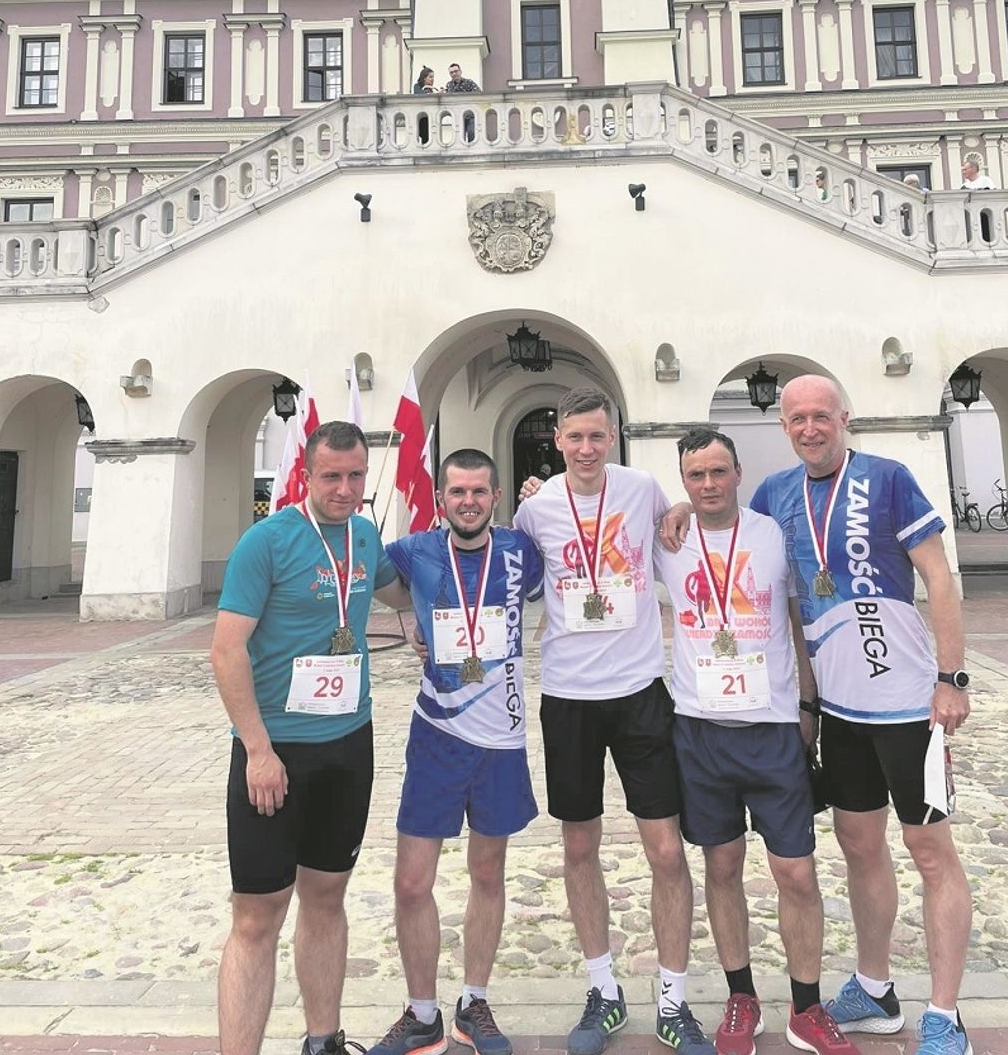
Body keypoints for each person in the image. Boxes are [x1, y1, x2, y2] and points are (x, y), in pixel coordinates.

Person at [753, 377, 972, 1055]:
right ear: (784, 425)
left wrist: (950, 677)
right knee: (859, 846)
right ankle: (874, 989)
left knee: (930, 851)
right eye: (798, 418)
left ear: (843, 418)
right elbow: (783, 600)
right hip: (843, 713)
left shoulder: (889, 477)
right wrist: (809, 703)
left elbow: (939, 575)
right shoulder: (772, 496)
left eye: (821, 415)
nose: (810, 427)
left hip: (910, 705)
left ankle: (944, 1014)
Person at [514, 388, 712, 1055]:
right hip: (568, 696)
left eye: (598, 436)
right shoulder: (535, 508)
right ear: (557, 438)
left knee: (664, 849)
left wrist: (686, 504)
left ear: (613, 435)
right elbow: (516, 582)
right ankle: (603, 991)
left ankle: (674, 1000)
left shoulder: (642, 489)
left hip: (638, 691)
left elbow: (679, 536)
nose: (587, 448)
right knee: (578, 847)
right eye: (575, 437)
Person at [655, 428, 861, 1055]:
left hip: (771, 729)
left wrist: (808, 702)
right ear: (683, 480)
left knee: (795, 872)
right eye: (696, 476)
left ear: (739, 471)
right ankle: (741, 997)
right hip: (699, 729)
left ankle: (806, 1006)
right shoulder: (669, 537)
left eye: (719, 472)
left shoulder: (775, 534)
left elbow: (798, 620)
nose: (709, 485)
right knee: (722, 866)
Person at [211, 421, 411, 1055]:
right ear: (306, 470)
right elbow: (225, 651)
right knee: (258, 913)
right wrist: (259, 751)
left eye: (356, 476)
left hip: (349, 744)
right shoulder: (267, 542)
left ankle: (323, 1040)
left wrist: (469, 564)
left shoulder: (364, 534)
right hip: (277, 751)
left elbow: (401, 590)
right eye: (332, 476)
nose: (346, 489)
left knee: (327, 896)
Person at [367, 448, 544, 1055]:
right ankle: (422, 1013)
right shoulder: (413, 551)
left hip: (501, 734)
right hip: (437, 731)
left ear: (495, 497)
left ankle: (474, 1002)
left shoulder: (522, 550)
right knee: (412, 882)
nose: (468, 501)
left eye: (479, 491)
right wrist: (415, 621)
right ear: (441, 499)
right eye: (456, 492)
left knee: (487, 871)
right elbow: (368, 580)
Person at [445, 63, 479, 142]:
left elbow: (478, 95)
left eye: (456, 71)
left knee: (472, 133)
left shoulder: (469, 82)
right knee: (458, 138)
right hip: (457, 117)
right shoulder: (449, 85)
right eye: (451, 72)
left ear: (460, 71)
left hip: (470, 115)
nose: (454, 74)